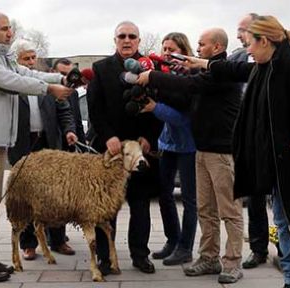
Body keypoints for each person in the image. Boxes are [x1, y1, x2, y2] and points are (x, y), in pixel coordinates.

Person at [177, 15, 290, 288]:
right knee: (284, 225)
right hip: (278, 163)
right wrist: (201, 63)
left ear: (265, 41)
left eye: (250, 44)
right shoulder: (267, 65)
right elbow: (235, 70)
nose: (247, 51)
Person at [0, 11, 72, 282]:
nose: (10, 33)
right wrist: (48, 89)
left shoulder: (2, 55)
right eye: (5, 28)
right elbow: (9, 82)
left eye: (11, 28)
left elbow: (25, 72)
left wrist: (61, 79)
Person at [136, 28, 244, 284]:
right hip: (202, 150)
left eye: (201, 44)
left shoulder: (223, 72)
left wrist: (152, 76)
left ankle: (232, 263)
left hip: (222, 153)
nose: (197, 49)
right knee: (205, 209)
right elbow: (186, 83)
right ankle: (208, 258)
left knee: (229, 211)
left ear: (216, 47)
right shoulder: (205, 69)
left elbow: (188, 85)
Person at [87, 20, 163, 275]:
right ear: (115, 40)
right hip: (111, 150)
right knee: (106, 208)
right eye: (122, 36)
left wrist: (150, 137)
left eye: (132, 36)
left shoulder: (151, 68)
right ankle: (106, 258)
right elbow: (95, 108)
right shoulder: (101, 68)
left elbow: (157, 105)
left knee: (140, 205)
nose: (127, 40)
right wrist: (107, 135)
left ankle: (140, 255)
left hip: (141, 150)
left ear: (139, 41)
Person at [7, 40, 77, 260]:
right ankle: (28, 244)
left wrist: (68, 130)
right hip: (23, 145)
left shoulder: (46, 83)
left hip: (49, 144)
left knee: (55, 196)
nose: (31, 62)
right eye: (26, 59)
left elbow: (64, 110)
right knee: (25, 197)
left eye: (32, 57)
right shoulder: (11, 84)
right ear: (16, 62)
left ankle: (57, 240)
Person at [142, 32, 197, 266]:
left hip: (188, 145)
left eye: (171, 48)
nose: (166, 52)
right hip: (168, 143)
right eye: (164, 48)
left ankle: (185, 247)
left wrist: (155, 108)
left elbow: (185, 119)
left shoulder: (191, 76)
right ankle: (172, 240)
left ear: (184, 51)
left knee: (189, 199)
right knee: (164, 193)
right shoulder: (162, 75)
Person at [229, 13, 271, 269]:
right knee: (254, 200)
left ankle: (288, 251)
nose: (238, 35)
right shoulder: (236, 58)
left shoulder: (270, 60)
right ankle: (258, 249)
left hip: (270, 140)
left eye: (242, 30)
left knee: (279, 203)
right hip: (246, 141)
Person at [51, 58, 86, 147]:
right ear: (52, 72)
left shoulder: (74, 94)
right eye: (62, 74)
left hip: (70, 144)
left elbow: (78, 123)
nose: (66, 79)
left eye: (69, 75)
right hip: (52, 145)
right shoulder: (45, 93)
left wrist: (83, 147)